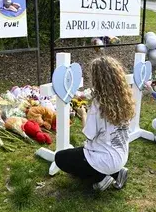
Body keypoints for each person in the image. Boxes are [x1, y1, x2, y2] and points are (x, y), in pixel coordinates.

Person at [54, 56, 135, 191]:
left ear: (98, 80)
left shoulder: (99, 104)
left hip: (103, 158)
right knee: (77, 154)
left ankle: (101, 178)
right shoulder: (124, 97)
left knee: (60, 158)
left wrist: (83, 114)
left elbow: (88, 134)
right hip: (120, 155)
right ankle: (117, 172)